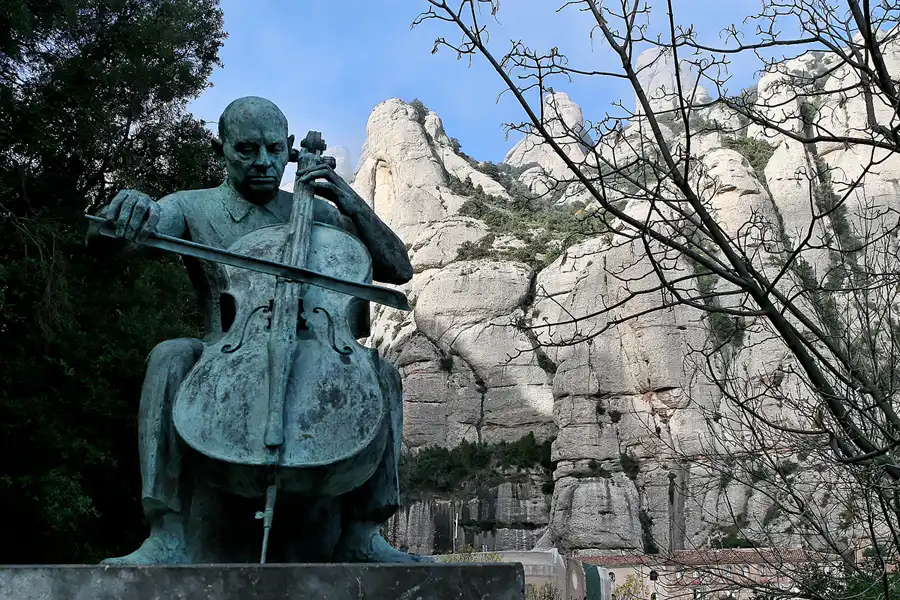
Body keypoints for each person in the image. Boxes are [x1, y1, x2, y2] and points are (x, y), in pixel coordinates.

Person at [87, 96, 419, 563]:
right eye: (246, 150)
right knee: (169, 355)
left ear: (288, 149)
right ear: (221, 148)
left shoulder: (319, 214)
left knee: (383, 373)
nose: (262, 163)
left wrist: (348, 199)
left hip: (312, 350)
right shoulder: (191, 206)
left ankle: (363, 536)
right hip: (224, 352)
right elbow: (109, 245)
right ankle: (166, 534)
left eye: (272, 150)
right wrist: (128, 213)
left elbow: (397, 269)